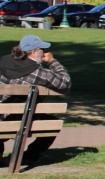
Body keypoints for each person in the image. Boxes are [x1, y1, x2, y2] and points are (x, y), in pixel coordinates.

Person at [0, 35, 72, 164]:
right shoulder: (37, 73)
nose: (44, 52)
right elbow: (65, 83)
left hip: (2, 118)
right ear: (34, 52)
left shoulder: (3, 62)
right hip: (19, 121)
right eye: (42, 50)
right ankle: (29, 156)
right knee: (52, 123)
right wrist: (52, 61)